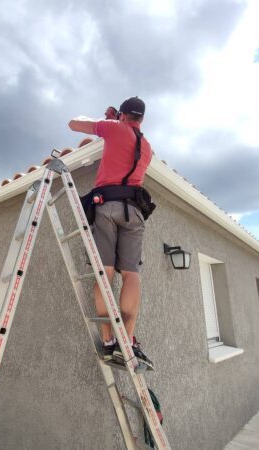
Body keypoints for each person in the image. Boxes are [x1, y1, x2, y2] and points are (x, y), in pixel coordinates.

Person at [68, 97, 154, 370]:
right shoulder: (148, 147)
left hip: (107, 206)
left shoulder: (114, 128)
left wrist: (109, 121)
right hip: (135, 211)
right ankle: (127, 340)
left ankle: (108, 341)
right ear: (141, 119)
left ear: (124, 115)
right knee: (131, 274)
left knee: (105, 273)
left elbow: (74, 123)